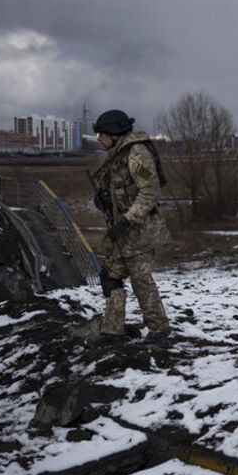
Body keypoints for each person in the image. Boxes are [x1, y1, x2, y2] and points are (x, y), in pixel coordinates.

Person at [89, 109, 171, 345]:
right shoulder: (117, 155)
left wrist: (127, 220)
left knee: (140, 279)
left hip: (140, 231)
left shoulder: (137, 156)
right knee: (110, 276)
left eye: (102, 134)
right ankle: (113, 331)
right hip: (121, 233)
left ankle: (160, 330)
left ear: (115, 134)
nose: (99, 139)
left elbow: (150, 191)